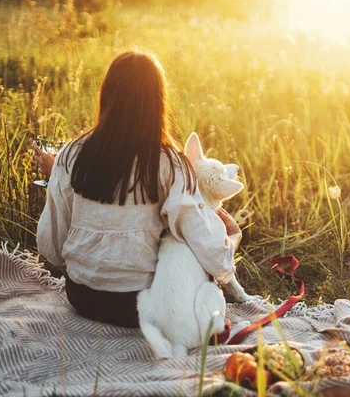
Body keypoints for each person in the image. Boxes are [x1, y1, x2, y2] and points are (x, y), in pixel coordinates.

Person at [33, 50, 242, 328]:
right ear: (157, 102)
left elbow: (52, 245)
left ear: (106, 96)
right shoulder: (169, 163)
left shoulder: (71, 154)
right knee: (209, 232)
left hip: (81, 296)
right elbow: (198, 234)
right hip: (142, 306)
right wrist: (226, 263)